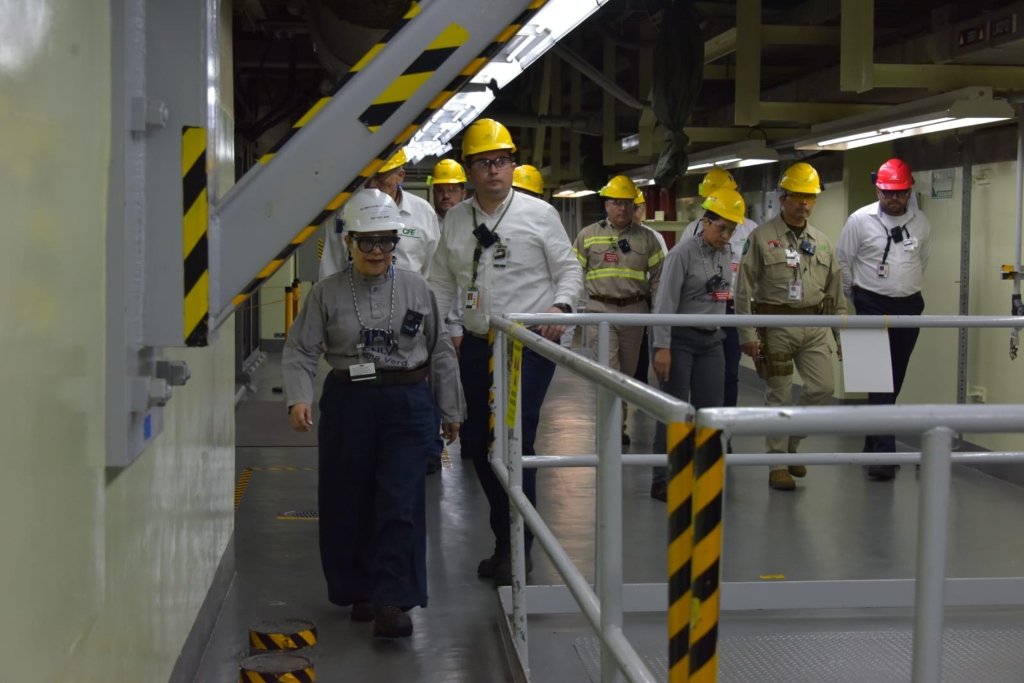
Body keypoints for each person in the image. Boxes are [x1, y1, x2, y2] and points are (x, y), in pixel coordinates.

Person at [282, 188, 464, 638]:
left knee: (400, 501)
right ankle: (357, 589)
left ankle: (393, 599)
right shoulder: (326, 293)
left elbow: (439, 348)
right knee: (349, 498)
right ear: (349, 242)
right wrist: (299, 397)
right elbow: (301, 349)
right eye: (368, 242)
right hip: (349, 401)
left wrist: (450, 408)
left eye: (386, 241)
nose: (378, 251)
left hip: (406, 402)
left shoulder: (417, 288)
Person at [429, 118, 583, 586]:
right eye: (483, 163)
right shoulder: (457, 221)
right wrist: (437, 334)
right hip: (476, 346)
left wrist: (562, 306)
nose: (493, 171)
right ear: (470, 171)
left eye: (500, 161)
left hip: (527, 347)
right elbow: (439, 284)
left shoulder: (539, 215)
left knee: (513, 442)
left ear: (513, 165)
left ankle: (518, 545)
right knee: (478, 445)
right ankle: (505, 536)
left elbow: (570, 270)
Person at [734, 162, 846, 492]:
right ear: (782, 198)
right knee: (779, 396)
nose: (804, 203)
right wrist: (747, 334)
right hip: (776, 325)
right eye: (797, 196)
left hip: (813, 326)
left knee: (822, 388)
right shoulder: (761, 237)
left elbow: (835, 292)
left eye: (810, 197)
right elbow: (743, 289)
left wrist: (841, 335)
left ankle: (791, 442)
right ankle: (777, 464)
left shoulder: (822, 242)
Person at [837, 158, 931, 480]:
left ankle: (872, 445)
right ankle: (883, 455)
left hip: (909, 305)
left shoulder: (921, 222)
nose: (894, 199)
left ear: (909, 190)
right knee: (877, 382)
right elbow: (843, 264)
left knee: (894, 381)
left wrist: (904, 290)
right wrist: (858, 300)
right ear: (878, 189)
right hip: (870, 303)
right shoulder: (859, 220)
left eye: (900, 193)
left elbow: (923, 261)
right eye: (888, 192)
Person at [650, 189, 746, 501]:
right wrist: (662, 346)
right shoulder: (682, 253)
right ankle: (664, 477)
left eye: (732, 229)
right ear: (705, 222)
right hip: (680, 339)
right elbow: (664, 302)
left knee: (710, 411)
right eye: (721, 227)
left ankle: (705, 472)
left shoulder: (725, 253)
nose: (726, 234)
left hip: (712, 340)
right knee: (676, 410)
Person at [573, 175, 664, 444]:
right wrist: (576, 310)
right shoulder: (588, 235)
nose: (622, 208)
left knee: (626, 373)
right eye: (616, 202)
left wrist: (657, 316)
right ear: (606, 204)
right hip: (600, 312)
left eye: (628, 203)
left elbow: (659, 278)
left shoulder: (648, 239)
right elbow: (573, 272)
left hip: (635, 311)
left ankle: (618, 422)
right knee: (608, 371)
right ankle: (612, 428)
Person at [685, 168, 758, 410]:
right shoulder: (695, 228)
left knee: (729, 372)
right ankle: (700, 423)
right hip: (699, 306)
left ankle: (725, 426)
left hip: (732, 307)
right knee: (700, 372)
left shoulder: (750, 229)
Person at [320, 147, 440, 279]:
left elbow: (434, 274)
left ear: (400, 176)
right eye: (367, 177)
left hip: (407, 298)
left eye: (380, 177)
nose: (371, 184)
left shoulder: (423, 213)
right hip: (355, 297)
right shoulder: (345, 213)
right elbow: (331, 270)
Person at [428, 158, 471, 469]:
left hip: (464, 321)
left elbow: (464, 283)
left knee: (468, 383)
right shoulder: (426, 224)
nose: (445, 196)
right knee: (432, 383)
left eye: (452, 190)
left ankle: (471, 441)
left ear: (463, 191)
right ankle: (431, 447)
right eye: (440, 190)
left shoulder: (471, 226)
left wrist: (456, 325)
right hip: (432, 317)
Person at [631, 187, 668, 386]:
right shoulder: (608, 235)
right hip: (616, 302)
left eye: (638, 207)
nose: (634, 212)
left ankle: (638, 395)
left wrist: (655, 313)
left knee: (641, 355)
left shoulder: (654, 238)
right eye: (631, 207)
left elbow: (661, 278)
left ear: (644, 208)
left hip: (643, 300)